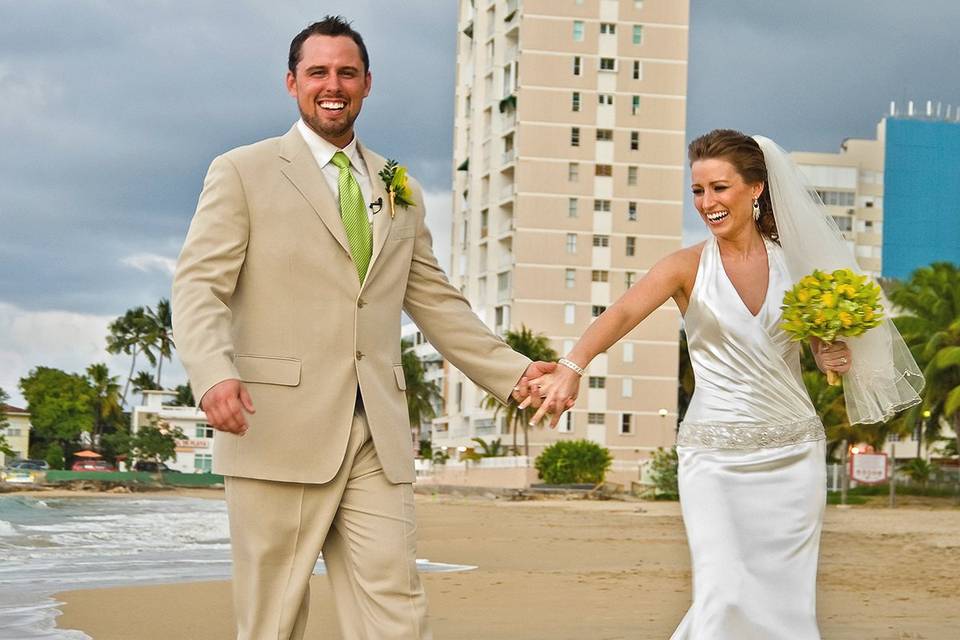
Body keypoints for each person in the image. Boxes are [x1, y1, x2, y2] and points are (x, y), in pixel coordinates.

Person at [172, 16, 551, 640]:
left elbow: (435, 300)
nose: (333, 84)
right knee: (272, 621)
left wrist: (514, 374)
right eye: (318, 72)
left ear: (367, 83)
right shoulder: (242, 171)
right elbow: (199, 285)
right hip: (276, 428)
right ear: (291, 83)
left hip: (377, 429)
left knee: (396, 608)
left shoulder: (398, 185)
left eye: (346, 72)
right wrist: (214, 372)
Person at [526, 129, 922, 639]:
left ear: (756, 188)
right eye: (698, 191)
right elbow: (621, 312)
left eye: (719, 188)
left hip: (793, 454)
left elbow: (821, 346)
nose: (707, 202)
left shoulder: (798, 266)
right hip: (713, 457)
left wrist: (831, 351)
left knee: (786, 604)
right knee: (724, 589)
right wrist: (572, 366)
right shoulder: (684, 267)